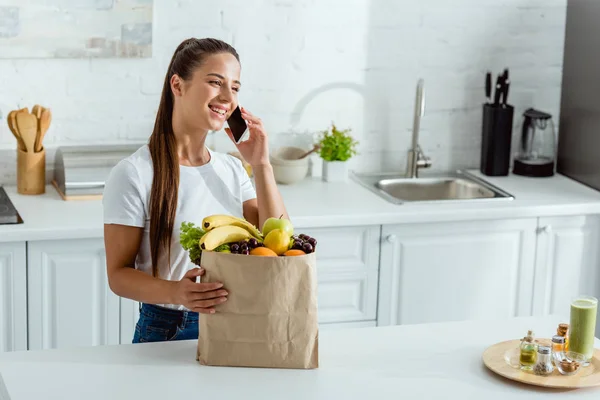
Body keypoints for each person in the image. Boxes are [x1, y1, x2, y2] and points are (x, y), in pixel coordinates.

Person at [102, 37, 289, 343]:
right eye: (216, 82)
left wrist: (262, 165)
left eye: (235, 87)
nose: (228, 97)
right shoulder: (135, 173)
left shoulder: (231, 168)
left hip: (237, 322)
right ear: (178, 85)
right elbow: (118, 275)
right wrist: (177, 291)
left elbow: (280, 242)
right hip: (169, 328)